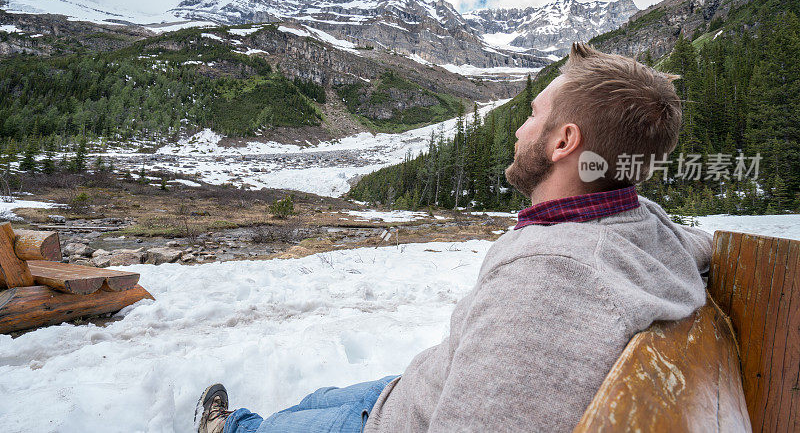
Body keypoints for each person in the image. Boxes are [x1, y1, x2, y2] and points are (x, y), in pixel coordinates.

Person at [194, 43, 713, 433]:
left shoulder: (550, 280)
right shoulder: (639, 220)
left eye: (532, 114)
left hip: (391, 421)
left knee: (265, 427)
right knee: (313, 403)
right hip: (416, 386)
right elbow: (702, 247)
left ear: (563, 141)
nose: (517, 129)